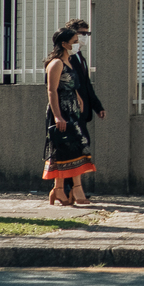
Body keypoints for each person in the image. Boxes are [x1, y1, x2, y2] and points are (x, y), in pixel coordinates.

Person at [42, 27, 96, 206]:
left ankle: (65, 189)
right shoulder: (56, 63)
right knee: (62, 149)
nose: (76, 44)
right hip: (61, 110)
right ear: (64, 44)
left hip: (73, 110)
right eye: (73, 41)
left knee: (76, 148)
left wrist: (79, 98)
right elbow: (52, 91)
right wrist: (58, 116)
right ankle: (65, 189)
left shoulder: (70, 62)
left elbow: (72, 85)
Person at [63, 18, 104, 199]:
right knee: (72, 149)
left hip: (83, 111)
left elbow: (87, 85)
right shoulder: (66, 57)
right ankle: (67, 188)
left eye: (88, 34)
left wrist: (97, 106)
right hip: (71, 110)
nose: (86, 37)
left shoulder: (81, 57)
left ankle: (74, 188)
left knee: (80, 147)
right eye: (82, 34)